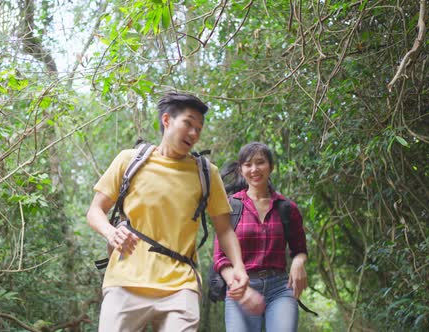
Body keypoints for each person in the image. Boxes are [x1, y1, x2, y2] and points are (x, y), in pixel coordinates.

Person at [87, 92, 249, 331]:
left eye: (199, 128)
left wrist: (239, 268)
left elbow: (224, 229)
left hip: (180, 285)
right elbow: (94, 211)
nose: (194, 133)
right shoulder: (130, 161)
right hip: (125, 281)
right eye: (188, 123)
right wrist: (110, 233)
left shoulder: (206, 172)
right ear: (166, 120)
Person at [213, 142, 308, 332]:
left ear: (271, 167)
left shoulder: (287, 208)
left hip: (279, 288)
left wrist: (298, 262)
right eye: (248, 164)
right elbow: (221, 258)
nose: (254, 169)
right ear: (241, 169)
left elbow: (300, 250)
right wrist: (239, 287)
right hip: (240, 286)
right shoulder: (230, 206)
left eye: (260, 162)